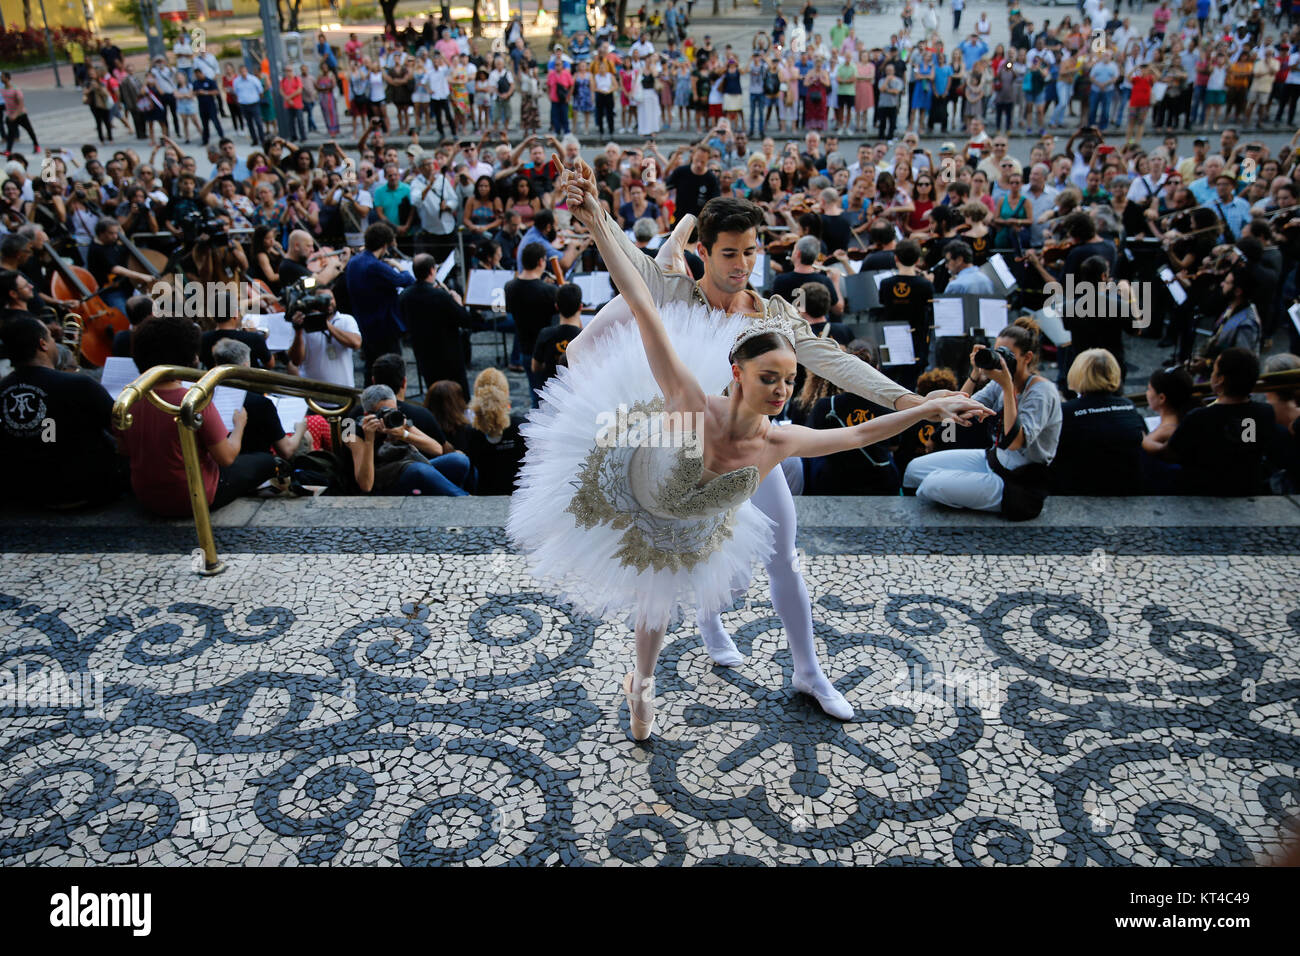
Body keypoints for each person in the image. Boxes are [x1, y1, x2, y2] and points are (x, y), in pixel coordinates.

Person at [510, 160, 983, 741]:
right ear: (703, 252)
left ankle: (808, 672)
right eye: (730, 253)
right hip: (681, 449)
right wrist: (596, 214)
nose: (742, 265)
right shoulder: (674, 290)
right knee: (676, 558)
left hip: (753, 447)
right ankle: (674, 656)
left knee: (783, 549)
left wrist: (916, 398)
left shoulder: (773, 315)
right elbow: (630, 271)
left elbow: (838, 365)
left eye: (751, 252)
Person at [117, 315, 277, 517]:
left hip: (146, 496)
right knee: (266, 461)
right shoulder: (193, 400)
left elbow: (124, 449)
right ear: (189, 357)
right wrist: (239, 426)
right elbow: (226, 457)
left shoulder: (127, 399)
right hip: (194, 497)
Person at [903, 317, 1062, 519]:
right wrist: (975, 374)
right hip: (994, 460)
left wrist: (1007, 387)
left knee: (930, 485)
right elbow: (959, 409)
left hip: (1020, 482)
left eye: (1007, 355)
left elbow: (1015, 442)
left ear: (1027, 357)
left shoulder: (1041, 392)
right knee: (914, 470)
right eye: (998, 353)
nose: (1001, 360)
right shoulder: (1000, 383)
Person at [0, 317, 124, 508]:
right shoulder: (81, 384)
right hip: (83, 492)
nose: (54, 344)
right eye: (50, 338)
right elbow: (121, 429)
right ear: (42, 344)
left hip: (20, 493)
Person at [1164, 347, 1277, 496]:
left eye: (1214, 370)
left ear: (1220, 379)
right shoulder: (1266, 412)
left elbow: (1170, 454)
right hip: (1247, 488)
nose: (1211, 374)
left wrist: (1146, 441)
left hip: (1203, 492)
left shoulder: (1199, 417)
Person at [345, 383, 472, 496]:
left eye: (393, 410)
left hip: (408, 469)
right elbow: (366, 485)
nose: (389, 416)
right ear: (368, 414)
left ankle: (450, 499)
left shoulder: (396, 417)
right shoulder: (354, 429)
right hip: (381, 483)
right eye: (383, 413)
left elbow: (437, 450)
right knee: (418, 470)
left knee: (460, 460)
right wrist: (369, 439)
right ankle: (464, 500)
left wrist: (404, 434)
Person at [1049, 348, 1146, 495]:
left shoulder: (1065, 411)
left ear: (1077, 374)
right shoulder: (1128, 405)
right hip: (1127, 486)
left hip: (1078, 488)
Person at [344, 222, 416, 380]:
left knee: (371, 367)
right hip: (383, 325)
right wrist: (399, 266)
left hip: (364, 321)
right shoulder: (375, 266)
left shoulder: (354, 261)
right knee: (390, 370)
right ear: (384, 246)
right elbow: (407, 280)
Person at [399, 252, 475, 396]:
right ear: (432, 270)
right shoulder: (441, 296)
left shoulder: (405, 296)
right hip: (448, 357)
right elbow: (466, 320)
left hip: (424, 355)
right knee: (459, 397)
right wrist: (458, 303)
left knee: (435, 396)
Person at [505, 243, 560, 405]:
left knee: (534, 393)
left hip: (524, 347)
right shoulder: (549, 291)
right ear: (541, 262)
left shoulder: (509, 287)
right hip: (545, 350)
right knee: (549, 396)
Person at [465, 367, 526, 494]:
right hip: (520, 496)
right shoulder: (522, 427)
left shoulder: (470, 433)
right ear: (506, 394)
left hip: (485, 496)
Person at [287, 287, 361, 389]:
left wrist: (324, 323)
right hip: (314, 394)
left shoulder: (346, 320)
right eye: (323, 299)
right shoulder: (303, 323)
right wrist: (298, 332)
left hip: (345, 391)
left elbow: (356, 343)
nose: (329, 302)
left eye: (331, 298)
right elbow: (296, 361)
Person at [531, 282, 584, 393]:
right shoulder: (584, 337)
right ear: (580, 307)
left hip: (550, 392)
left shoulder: (545, 333)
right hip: (577, 394)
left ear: (556, 306)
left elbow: (535, 367)